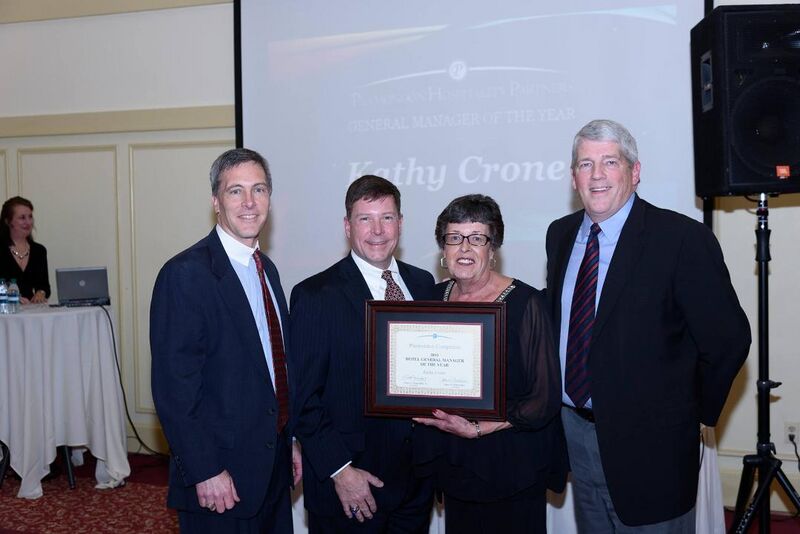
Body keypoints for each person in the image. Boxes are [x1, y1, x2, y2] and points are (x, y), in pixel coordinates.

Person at [545, 119, 751, 532]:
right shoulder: (561, 235)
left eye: (610, 162)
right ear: (573, 178)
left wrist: (688, 412)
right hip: (576, 437)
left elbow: (727, 340)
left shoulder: (681, 239)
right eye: (586, 164)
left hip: (653, 449)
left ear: (634, 172)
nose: (597, 175)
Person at [150, 148, 299, 533]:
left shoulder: (268, 271)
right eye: (236, 191)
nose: (249, 203)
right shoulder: (185, 274)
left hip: (272, 471)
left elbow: (273, 368)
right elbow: (174, 389)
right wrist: (205, 470)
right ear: (216, 201)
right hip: (220, 481)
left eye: (259, 190)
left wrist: (290, 441)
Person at [413, 194, 566, 534]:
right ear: (443, 249)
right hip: (454, 463)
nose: (464, 248)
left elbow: (544, 399)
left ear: (493, 249)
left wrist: (480, 428)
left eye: (476, 238)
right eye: (454, 238)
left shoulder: (527, 304)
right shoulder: (431, 301)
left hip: (510, 466)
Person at [290, 175, 436, 533]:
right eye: (365, 218)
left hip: (415, 483)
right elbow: (303, 399)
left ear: (400, 223)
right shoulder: (315, 295)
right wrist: (340, 471)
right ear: (347, 226)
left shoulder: (423, 284)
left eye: (387, 217)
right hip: (351, 483)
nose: (377, 230)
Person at [0, 196, 50, 303]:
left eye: (30, 217)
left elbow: (44, 286)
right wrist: (10, 297)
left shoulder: (39, 251)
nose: (28, 222)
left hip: (29, 313)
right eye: (22, 218)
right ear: (8, 222)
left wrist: (41, 292)